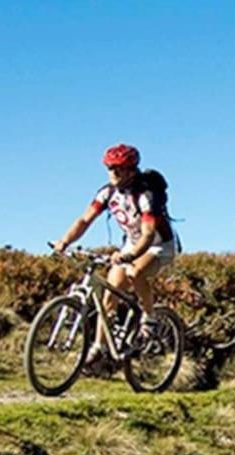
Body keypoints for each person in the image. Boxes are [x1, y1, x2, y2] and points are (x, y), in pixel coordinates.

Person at [54, 144, 180, 364]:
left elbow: (149, 234)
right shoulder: (107, 193)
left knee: (135, 272)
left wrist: (130, 256)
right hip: (131, 245)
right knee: (108, 295)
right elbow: (84, 220)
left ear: (131, 170)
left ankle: (150, 318)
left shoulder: (145, 196)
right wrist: (65, 241)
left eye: (119, 168)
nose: (113, 173)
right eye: (110, 168)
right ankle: (99, 348)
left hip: (159, 246)